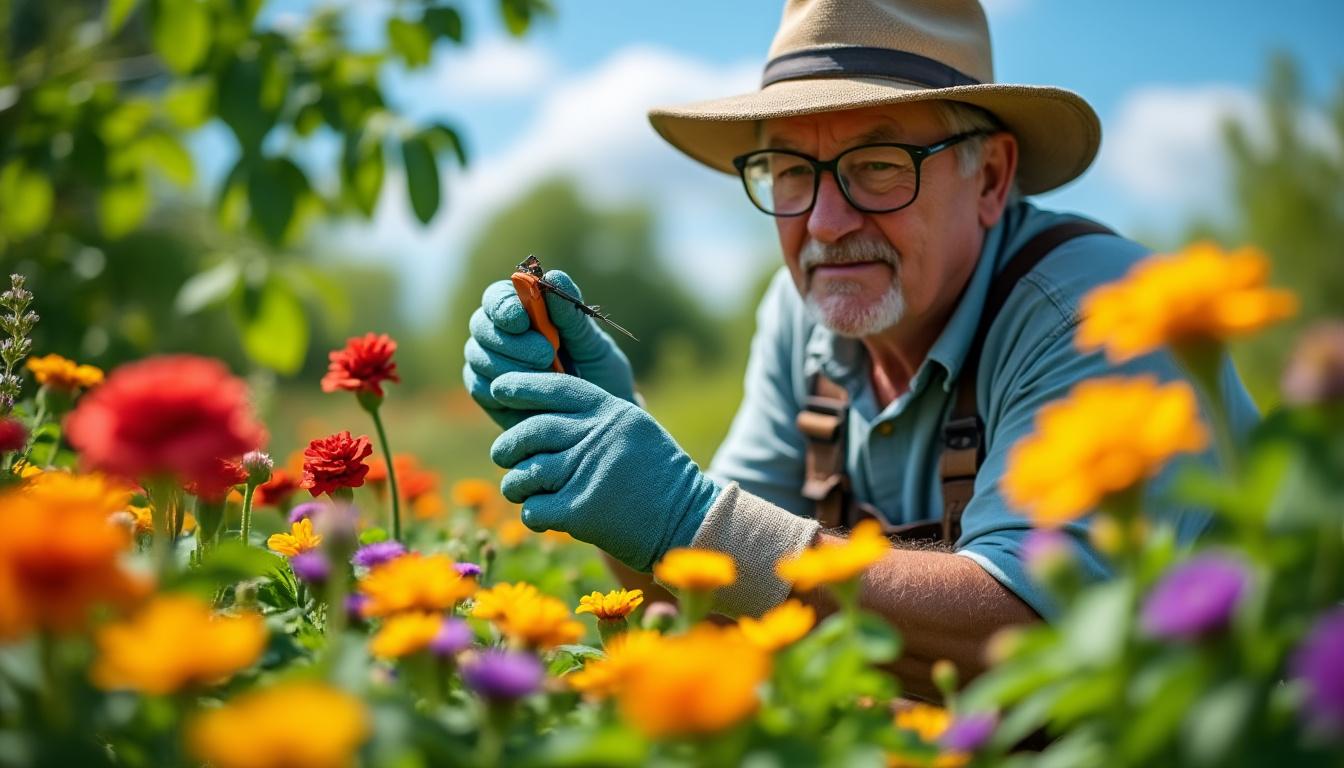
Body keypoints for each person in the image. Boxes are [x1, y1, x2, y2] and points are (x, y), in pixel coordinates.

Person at [461, 0, 1259, 698]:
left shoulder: (1103, 312)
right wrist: (619, 470)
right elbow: (709, 604)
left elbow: (1041, 636)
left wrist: (688, 518)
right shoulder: (800, 315)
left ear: (990, 179)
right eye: (789, 170)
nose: (825, 223)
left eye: (877, 166)